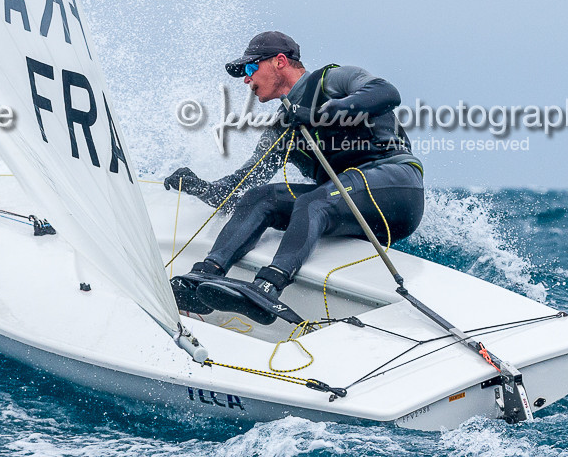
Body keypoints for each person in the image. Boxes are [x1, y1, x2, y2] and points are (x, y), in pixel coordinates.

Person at [163, 30, 424, 325]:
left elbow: (387, 93)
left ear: (280, 62)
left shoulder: (332, 80)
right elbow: (241, 186)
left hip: (397, 188)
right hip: (344, 202)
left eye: (250, 69)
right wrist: (200, 188)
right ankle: (204, 276)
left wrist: (321, 114)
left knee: (314, 201)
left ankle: (267, 288)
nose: (246, 80)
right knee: (260, 198)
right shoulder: (283, 128)